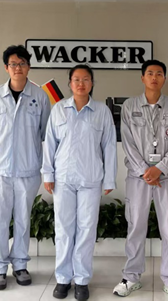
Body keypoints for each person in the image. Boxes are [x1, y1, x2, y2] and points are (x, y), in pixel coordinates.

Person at [113, 60, 168, 301]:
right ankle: (131, 277)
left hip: (166, 177)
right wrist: (146, 171)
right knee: (136, 226)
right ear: (142, 78)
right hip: (138, 177)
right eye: (150, 73)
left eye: (159, 73)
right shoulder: (129, 106)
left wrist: (160, 169)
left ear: (164, 78)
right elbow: (128, 142)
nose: (154, 77)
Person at [42, 64, 117, 301]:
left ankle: (82, 280)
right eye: (76, 79)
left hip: (90, 178)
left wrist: (109, 177)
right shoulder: (59, 109)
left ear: (92, 83)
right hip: (63, 178)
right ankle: (63, 278)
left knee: (86, 229)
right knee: (64, 229)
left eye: (85, 79)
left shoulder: (102, 111)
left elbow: (109, 146)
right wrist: (48, 174)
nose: (81, 84)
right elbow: (49, 143)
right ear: (70, 83)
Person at [0, 45, 51, 290]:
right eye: (13, 64)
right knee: (0, 219)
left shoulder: (39, 96)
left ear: (29, 66)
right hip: (0, 169)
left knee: (23, 219)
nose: (18, 68)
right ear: (6, 68)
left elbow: (45, 134)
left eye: (22, 63)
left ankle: (21, 264)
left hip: (28, 168)